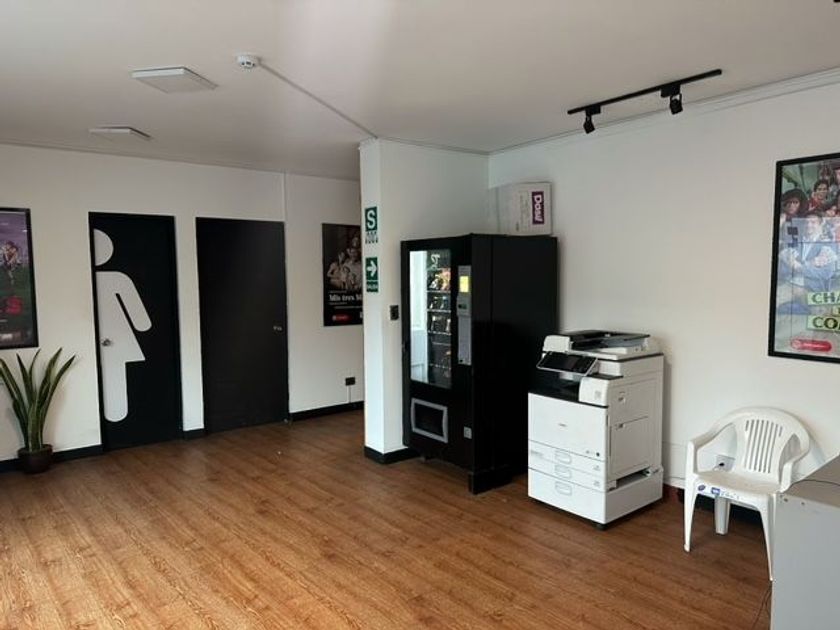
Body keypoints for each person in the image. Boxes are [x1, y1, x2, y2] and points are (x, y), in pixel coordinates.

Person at [777, 209, 838, 313]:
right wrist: (809, 265)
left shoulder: (828, 245)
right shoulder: (795, 242)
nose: (809, 225)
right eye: (807, 222)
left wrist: (799, 267)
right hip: (790, 285)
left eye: (813, 222)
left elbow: (826, 273)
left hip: (812, 289)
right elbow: (783, 268)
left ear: (820, 225)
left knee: (822, 315)